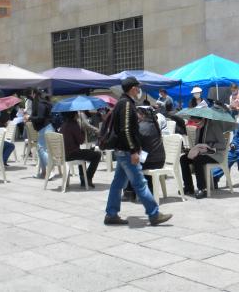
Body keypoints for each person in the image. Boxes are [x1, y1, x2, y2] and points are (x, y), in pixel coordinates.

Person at [104, 76, 172, 226]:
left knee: (117, 184)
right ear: (133, 88)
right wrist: (134, 150)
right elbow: (126, 130)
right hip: (127, 151)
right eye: (138, 87)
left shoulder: (122, 103)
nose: (139, 90)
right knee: (140, 183)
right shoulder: (127, 104)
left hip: (121, 150)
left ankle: (111, 214)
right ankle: (154, 214)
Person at [180, 114, 229, 199]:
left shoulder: (214, 126)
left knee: (198, 160)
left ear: (202, 119)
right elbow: (197, 144)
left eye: (196, 122)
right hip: (202, 153)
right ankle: (188, 187)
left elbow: (223, 145)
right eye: (194, 122)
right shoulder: (198, 128)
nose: (195, 124)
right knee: (183, 158)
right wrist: (191, 150)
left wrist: (208, 145)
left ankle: (202, 189)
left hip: (215, 155)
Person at [123, 106, 166, 200]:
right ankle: (135, 191)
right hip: (159, 160)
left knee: (127, 162)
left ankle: (129, 192)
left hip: (150, 161)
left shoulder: (141, 126)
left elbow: (134, 145)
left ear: (141, 115)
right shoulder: (154, 124)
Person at [60, 112, 100, 188]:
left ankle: (83, 179)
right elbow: (81, 141)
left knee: (83, 154)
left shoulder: (64, 125)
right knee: (97, 155)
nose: (78, 115)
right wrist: (82, 131)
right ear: (74, 115)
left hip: (65, 154)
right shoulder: (74, 125)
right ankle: (87, 177)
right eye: (76, 113)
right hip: (72, 154)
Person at [26, 88, 53, 179]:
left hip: (45, 128)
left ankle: (50, 170)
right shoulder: (42, 102)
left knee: (40, 149)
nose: (30, 96)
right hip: (45, 128)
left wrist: (30, 118)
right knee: (41, 150)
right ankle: (43, 173)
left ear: (34, 93)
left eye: (31, 94)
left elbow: (40, 117)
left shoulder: (40, 103)